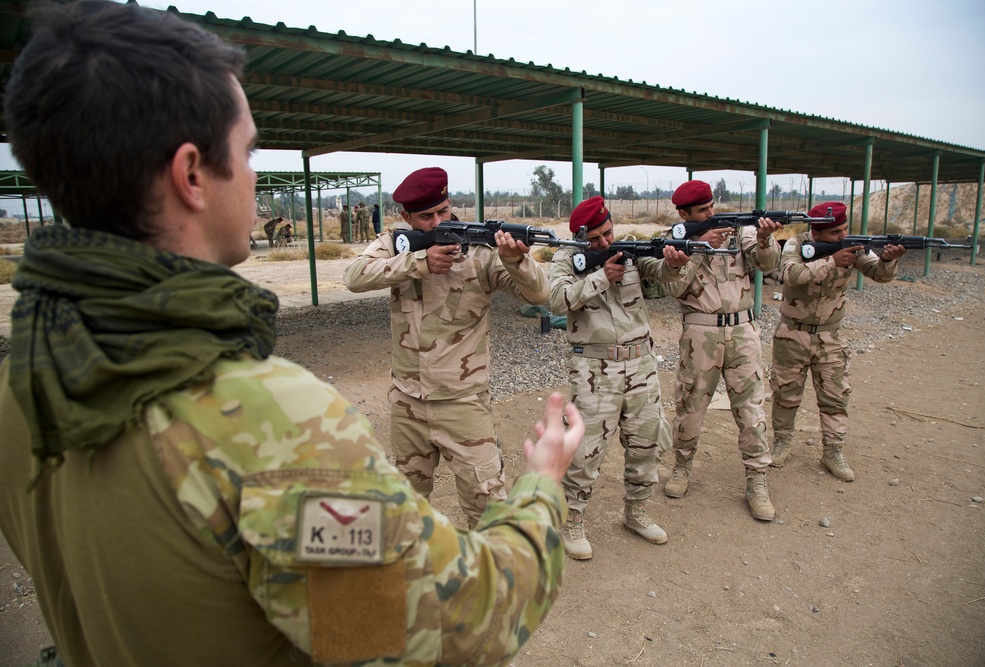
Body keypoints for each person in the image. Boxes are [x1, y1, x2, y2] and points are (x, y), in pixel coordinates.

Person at [0, 3, 583, 666]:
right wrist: (542, 481)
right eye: (247, 150)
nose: (254, 173)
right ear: (192, 174)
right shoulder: (274, 423)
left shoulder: (21, 388)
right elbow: (469, 620)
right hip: (416, 404)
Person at [344, 167, 551, 526]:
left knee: (486, 502)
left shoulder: (482, 252)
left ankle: (490, 577)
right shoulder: (397, 243)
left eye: (444, 210)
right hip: (407, 401)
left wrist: (518, 261)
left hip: (462, 403)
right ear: (406, 217)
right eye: (427, 216)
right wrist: (419, 262)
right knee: (407, 503)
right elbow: (353, 277)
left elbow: (540, 294)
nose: (439, 221)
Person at [548, 196, 690, 560]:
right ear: (579, 237)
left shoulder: (629, 250)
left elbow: (661, 274)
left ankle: (636, 510)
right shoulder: (566, 258)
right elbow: (557, 299)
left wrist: (675, 264)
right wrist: (599, 276)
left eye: (608, 233)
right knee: (585, 449)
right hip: (595, 369)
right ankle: (573, 519)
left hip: (641, 363)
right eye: (595, 240)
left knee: (647, 441)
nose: (605, 244)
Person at [661, 180, 782, 521]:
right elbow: (672, 286)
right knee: (690, 404)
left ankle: (757, 481)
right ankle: (682, 467)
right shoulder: (677, 242)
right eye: (703, 211)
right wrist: (699, 247)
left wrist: (763, 238)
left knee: (751, 408)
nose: (712, 215)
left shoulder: (737, 233)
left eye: (712, 207)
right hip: (701, 332)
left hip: (744, 329)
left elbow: (768, 263)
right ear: (684, 214)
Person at [769, 202, 905, 481]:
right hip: (792, 334)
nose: (843, 237)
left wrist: (889, 260)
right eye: (835, 233)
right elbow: (790, 275)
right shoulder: (797, 244)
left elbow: (879, 273)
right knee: (785, 394)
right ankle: (782, 442)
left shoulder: (854, 247)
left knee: (835, 396)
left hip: (831, 336)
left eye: (844, 229)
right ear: (816, 234)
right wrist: (832, 261)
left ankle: (833, 450)